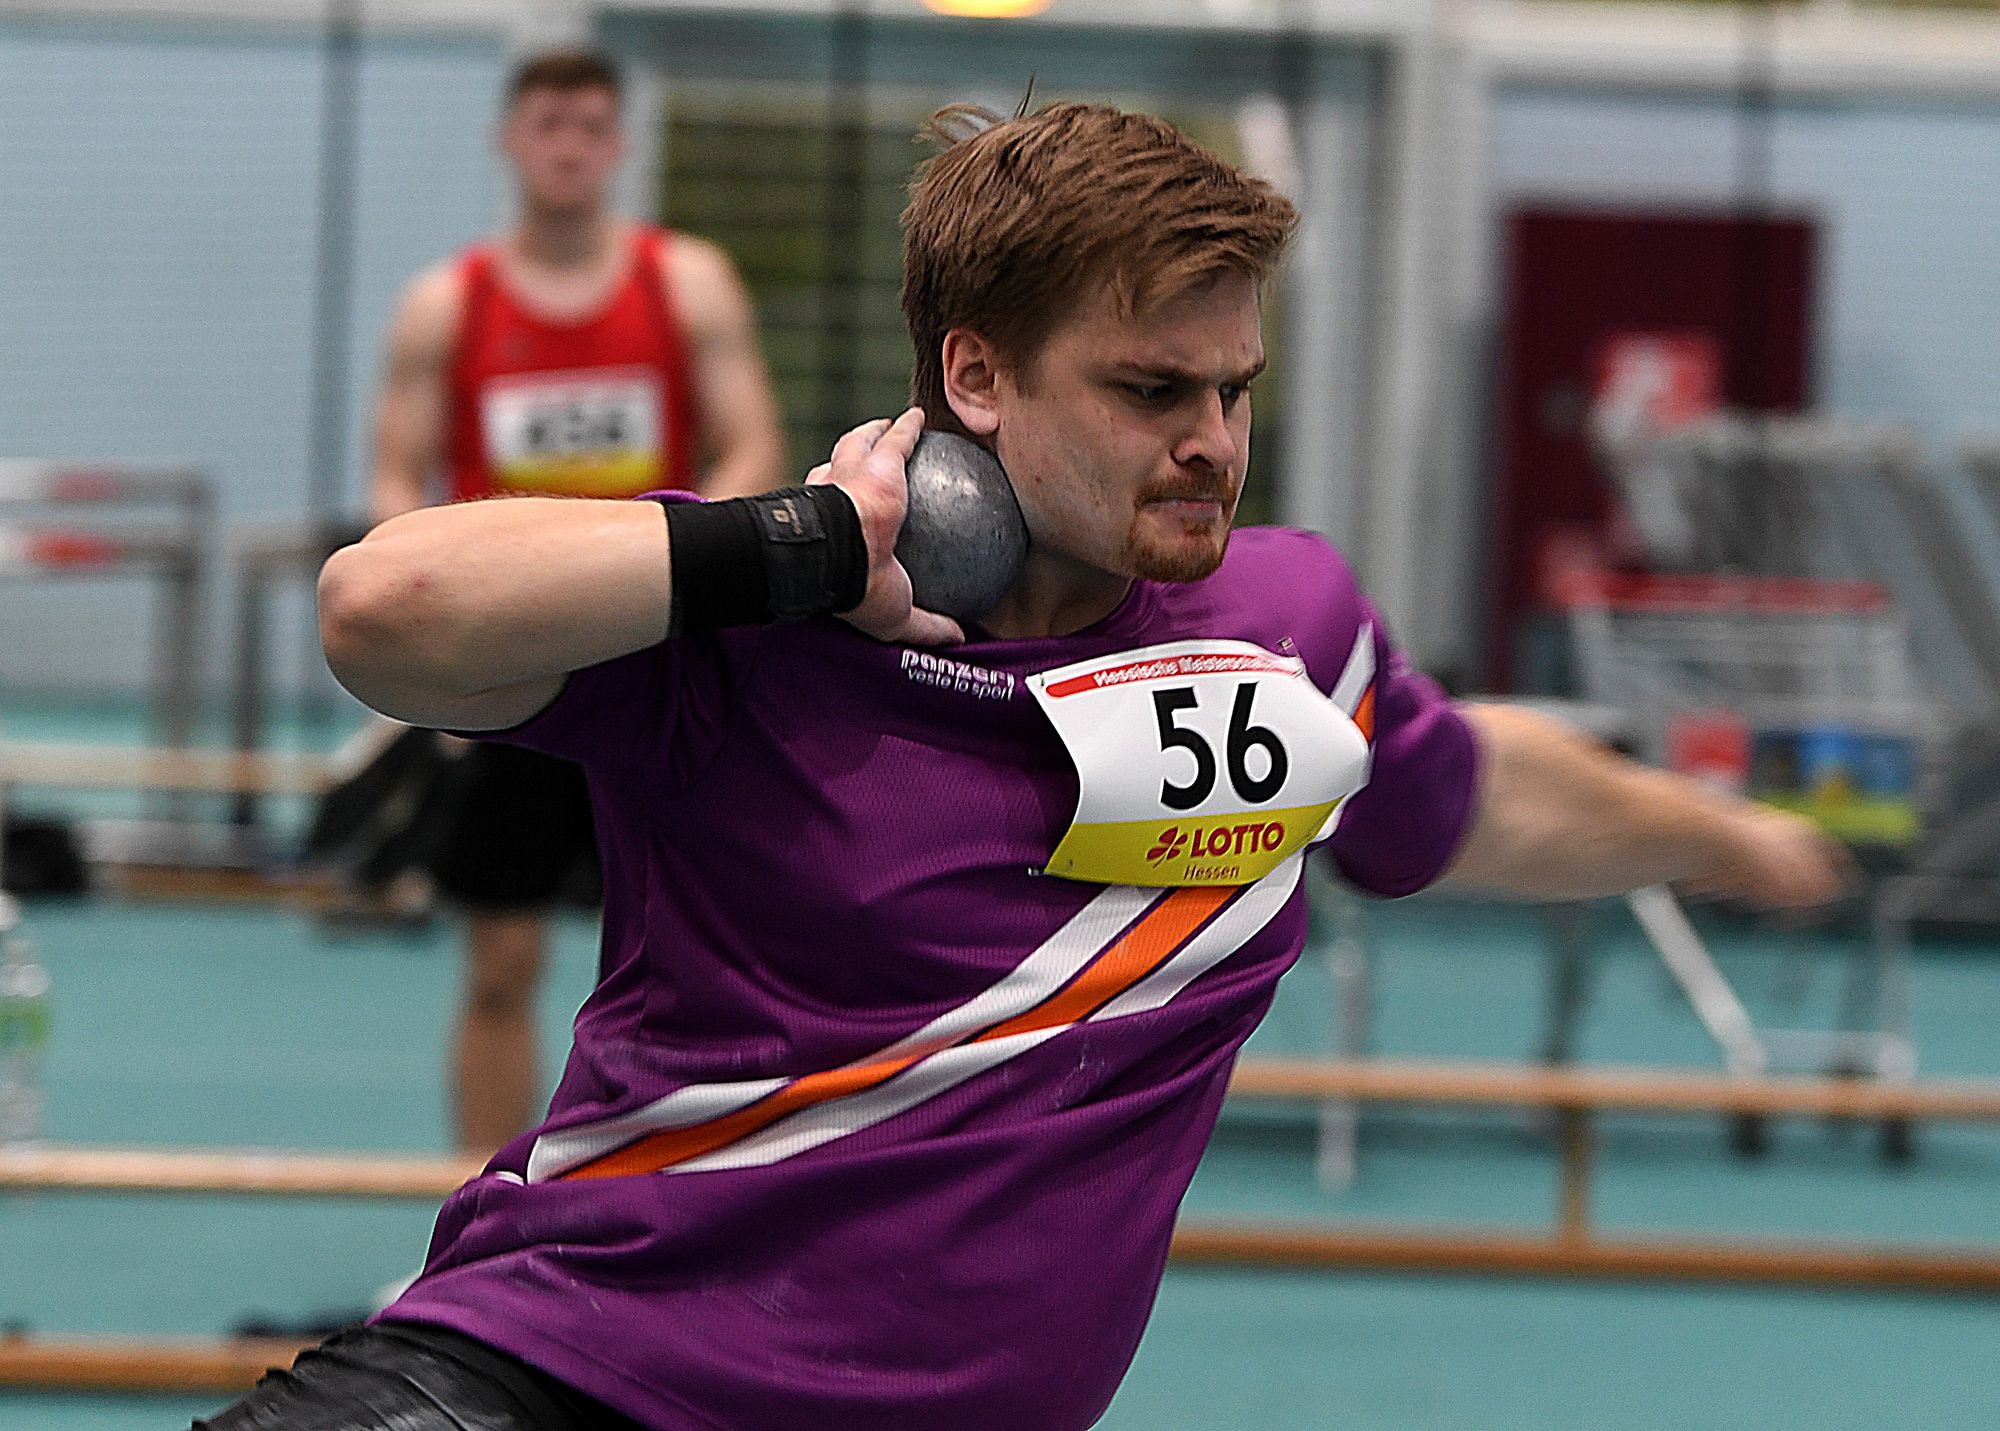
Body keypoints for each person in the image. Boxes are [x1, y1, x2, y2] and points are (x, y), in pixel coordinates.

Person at [218, 102, 1845, 1430]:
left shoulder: (1288, 632)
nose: (1212, 439)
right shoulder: (773, 626)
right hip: (553, 1375)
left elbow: (1475, 791)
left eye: (1234, 390)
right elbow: (385, 609)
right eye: (1151, 390)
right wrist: (792, 546)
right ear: (977, 377)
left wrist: (1722, 836)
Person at [367, 48, 784, 1154]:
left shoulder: (687, 283)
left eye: (591, 127)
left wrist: (683, 580)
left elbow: (751, 445)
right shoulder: (445, 305)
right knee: (500, 962)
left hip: (649, 652)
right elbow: (393, 483)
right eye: (548, 125)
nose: (568, 147)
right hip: (512, 658)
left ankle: (666, 1196)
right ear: (511, 140)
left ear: (618, 145)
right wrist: (430, 639)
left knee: (683, 959)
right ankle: (482, 1208)